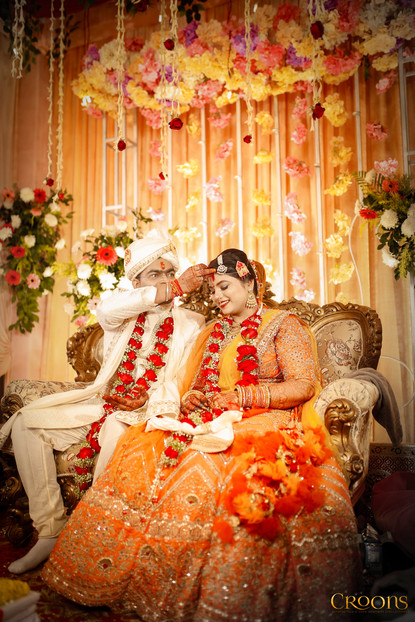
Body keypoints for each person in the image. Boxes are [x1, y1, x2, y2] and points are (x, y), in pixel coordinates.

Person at [42, 248, 361, 621]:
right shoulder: (213, 332)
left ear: (249, 281)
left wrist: (245, 395)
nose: (217, 296)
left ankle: (223, 592)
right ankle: (135, 575)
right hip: (214, 416)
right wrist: (194, 397)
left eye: (224, 286)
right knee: (147, 446)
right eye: (213, 290)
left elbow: (303, 384)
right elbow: (196, 384)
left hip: (268, 418)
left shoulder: (283, 324)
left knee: (223, 465)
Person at [1, 230, 211, 574]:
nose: (165, 280)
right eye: (154, 274)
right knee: (26, 424)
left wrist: (147, 398)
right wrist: (174, 287)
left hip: (150, 410)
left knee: (114, 428)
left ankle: (93, 535)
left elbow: (181, 380)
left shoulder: (192, 323)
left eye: (170, 273)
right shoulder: (121, 314)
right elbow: (108, 307)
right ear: (136, 283)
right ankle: (50, 531)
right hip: (104, 403)